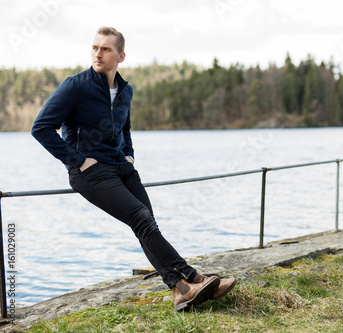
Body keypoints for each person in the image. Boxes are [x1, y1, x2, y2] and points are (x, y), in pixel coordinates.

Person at [31, 26, 236, 311]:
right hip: (90, 172)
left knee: (147, 223)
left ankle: (180, 291)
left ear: (121, 55)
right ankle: (194, 277)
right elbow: (40, 128)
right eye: (95, 47)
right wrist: (77, 159)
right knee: (141, 218)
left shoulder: (125, 91)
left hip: (120, 167)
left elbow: (124, 128)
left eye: (106, 49)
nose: (98, 53)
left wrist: (129, 155)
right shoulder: (75, 85)